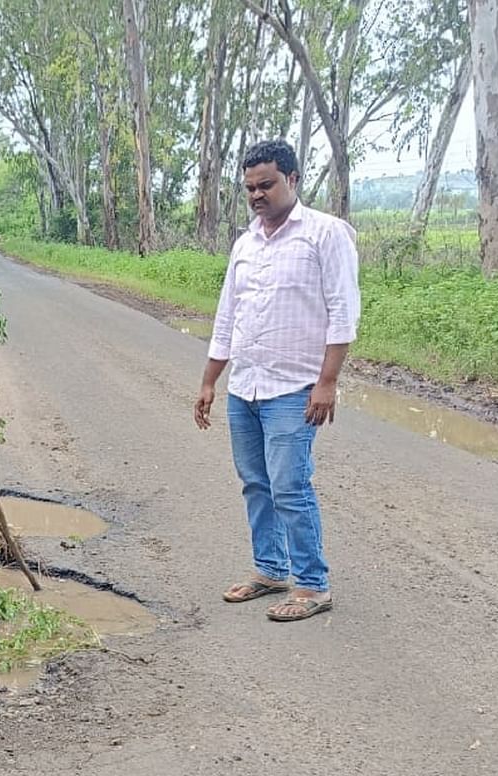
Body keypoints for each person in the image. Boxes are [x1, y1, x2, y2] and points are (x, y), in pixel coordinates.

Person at [193, 139, 360, 622]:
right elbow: (227, 317)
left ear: (293, 180)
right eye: (249, 187)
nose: (257, 195)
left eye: (266, 184)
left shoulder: (326, 235)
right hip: (245, 387)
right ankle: (270, 569)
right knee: (255, 483)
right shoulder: (245, 245)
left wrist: (327, 382)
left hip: (295, 388)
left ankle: (312, 585)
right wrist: (209, 382)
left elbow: (343, 314)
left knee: (290, 486)